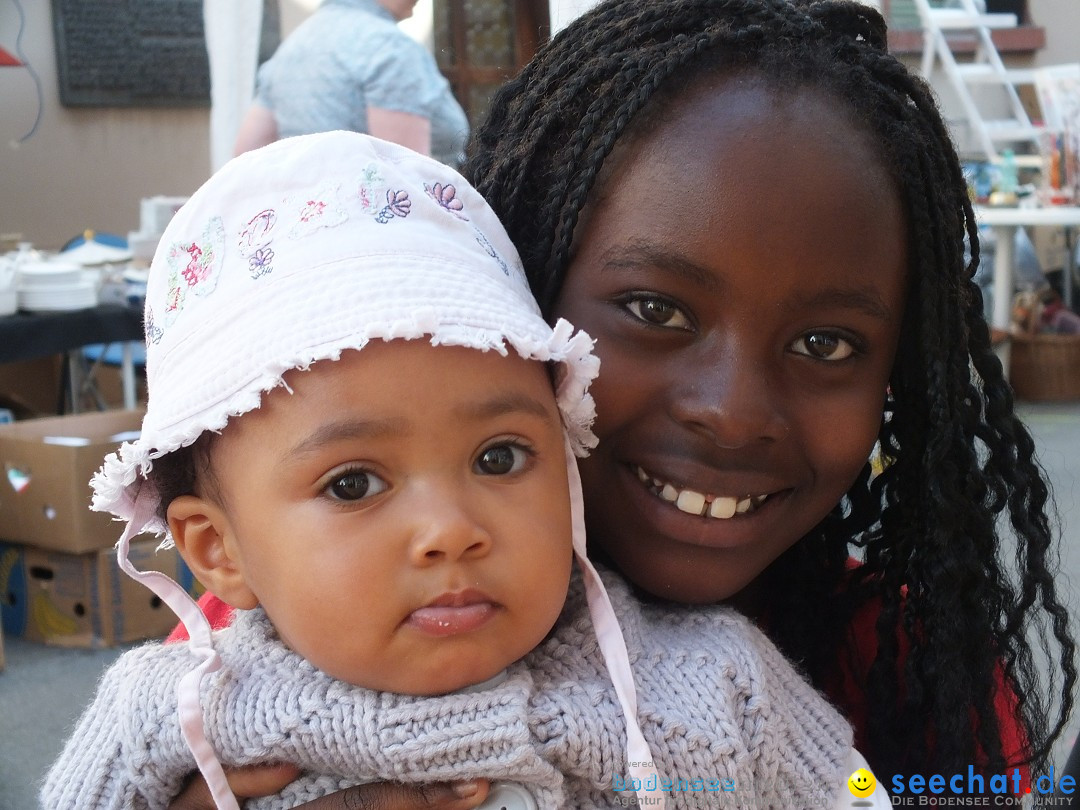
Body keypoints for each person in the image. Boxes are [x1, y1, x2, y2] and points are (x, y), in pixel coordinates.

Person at [168, 0, 1078, 807]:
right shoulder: (255, 654)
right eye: (655, 310)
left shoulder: (913, 665)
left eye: (825, 344)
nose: (731, 412)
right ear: (523, 295)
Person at [42, 132, 877, 810]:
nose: (451, 530)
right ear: (217, 550)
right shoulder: (168, 716)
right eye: (353, 483)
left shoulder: (718, 688)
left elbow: (861, 796)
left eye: (500, 458)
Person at [232, 0, 469, 168]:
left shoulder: (292, 47)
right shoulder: (390, 49)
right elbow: (405, 176)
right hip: (378, 230)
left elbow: (244, 157)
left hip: (311, 220)